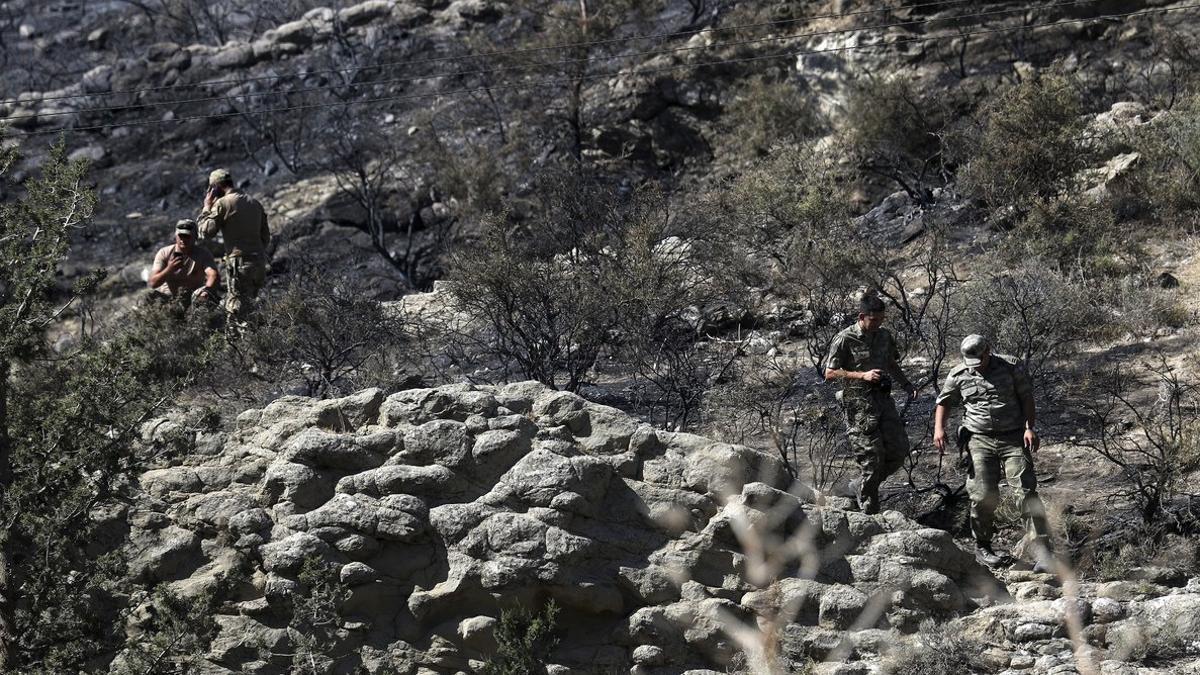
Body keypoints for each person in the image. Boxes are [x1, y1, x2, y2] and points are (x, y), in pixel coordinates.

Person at [933, 334, 1053, 571]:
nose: (976, 368)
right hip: (978, 440)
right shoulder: (959, 374)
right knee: (982, 494)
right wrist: (939, 429)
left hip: (1013, 437)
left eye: (980, 361)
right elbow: (944, 401)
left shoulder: (1011, 366)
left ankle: (1044, 552)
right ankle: (983, 546)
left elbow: (1026, 397)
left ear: (988, 352)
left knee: (1025, 492)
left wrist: (1030, 428)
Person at [823, 294, 919, 514]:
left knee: (899, 450)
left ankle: (862, 485)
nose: (878, 324)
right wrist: (861, 375)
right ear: (862, 317)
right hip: (859, 405)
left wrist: (906, 385)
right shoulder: (845, 339)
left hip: (883, 401)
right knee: (872, 461)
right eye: (874, 320)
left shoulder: (884, 336)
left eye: (881, 319)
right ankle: (869, 511)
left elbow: (891, 363)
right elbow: (829, 373)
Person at [197, 168, 270, 319]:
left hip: (239, 265)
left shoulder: (224, 203)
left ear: (215, 188)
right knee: (250, 308)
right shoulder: (254, 202)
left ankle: (241, 342)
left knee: (236, 312)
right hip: (259, 263)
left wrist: (206, 206)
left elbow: (205, 232)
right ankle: (257, 339)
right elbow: (265, 238)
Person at [147, 219, 220, 309]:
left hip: (194, 299)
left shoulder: (203, 254)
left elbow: (213, 275)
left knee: (211, 299)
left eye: (187, 236)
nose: (183, 239)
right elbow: (153, 283)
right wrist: (169, 269)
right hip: (168, 299)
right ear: (176, 236)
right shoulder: (164, 253)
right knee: (148, 296)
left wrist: (207, 291)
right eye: (181, 235)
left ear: (195, 236)